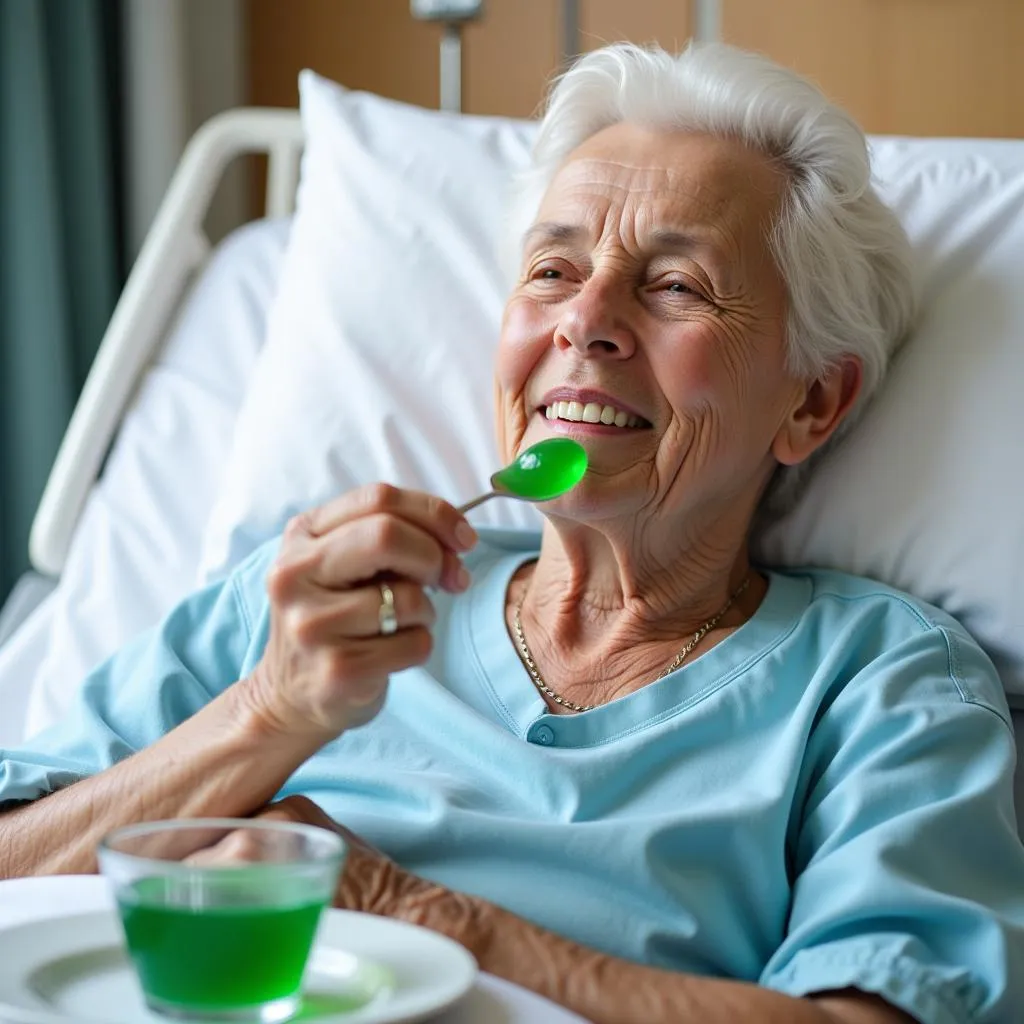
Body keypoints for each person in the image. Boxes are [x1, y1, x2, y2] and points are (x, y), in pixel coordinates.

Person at [1, 41, 1022, 1024]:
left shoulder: (883, 680)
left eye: (674, 286)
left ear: (810, 404)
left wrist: (418, 915)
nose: (584, 321)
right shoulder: (316, 597)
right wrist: (268, 712)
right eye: (550, 271)